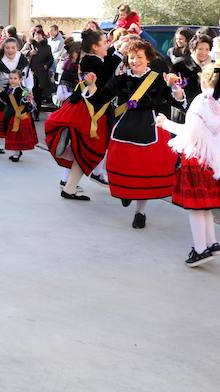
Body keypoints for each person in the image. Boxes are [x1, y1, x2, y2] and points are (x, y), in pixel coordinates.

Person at [88, 38, 187, 228]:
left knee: (145, 173)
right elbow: (100, 98)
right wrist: (91, 86)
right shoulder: (121, 79)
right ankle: (126, 192)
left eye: (139, 57)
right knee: (123, 167)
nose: (135, 61)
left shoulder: (159, 79)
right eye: (132, 57)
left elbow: (178, 103)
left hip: (151, 131)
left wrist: (176, 89)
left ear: (148, 58)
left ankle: (140, 213)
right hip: (124, 129)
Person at [44, 29, 121, 200]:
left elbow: (107, 67)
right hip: (87, 110)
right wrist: (119, 54)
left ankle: (69, 187)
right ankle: (70, 185)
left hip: (90, 108)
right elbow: (105, 77)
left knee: (83, 149)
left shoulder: (94, 58)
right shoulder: (91, 60)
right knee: (87, 148)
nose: (108, 44)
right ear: (95, 47)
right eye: (104, 42)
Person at [157, 64, 220, 266]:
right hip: (214, 163)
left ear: (204, 80)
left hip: (197, 160)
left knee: (196, 208)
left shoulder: (202, 102)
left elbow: (189, 132)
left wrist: (165, 123)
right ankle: (212, 243)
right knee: (206, 206)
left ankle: (200, 250)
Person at [0, 70, 38, 162]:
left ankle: (16, 153)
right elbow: (6, 99)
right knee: (12, 134)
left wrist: (26, 100)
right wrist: (0, 92)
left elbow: (28, 104)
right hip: (10, 113)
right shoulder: (8, 89)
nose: (12, 80)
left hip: (19, 115)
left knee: (18, 135)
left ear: (20, 79)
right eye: (11, 78)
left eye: (15, 78)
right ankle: (16, 152)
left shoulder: (24, 90)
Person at [171, 33, 213, 122]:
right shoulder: (180, 65)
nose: (204, 52)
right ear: (192, 49)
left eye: (207, 49)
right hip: (184, 113)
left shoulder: (215, 66)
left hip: (208, 115)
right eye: (200, 49)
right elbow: (173, 90)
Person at [26, 29, 54, 120]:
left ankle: (36, 113)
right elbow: (21, 54)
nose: (37, 36)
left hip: (41, 73)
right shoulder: (29, 45)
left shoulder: (47, 47)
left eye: (39, 35)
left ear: (43, 36)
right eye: (35, 35)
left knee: (38, 94)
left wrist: (46, 66)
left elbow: (51, 59)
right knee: (30, 92)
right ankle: (29, 111)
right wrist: (30, 53)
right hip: (31, 72)